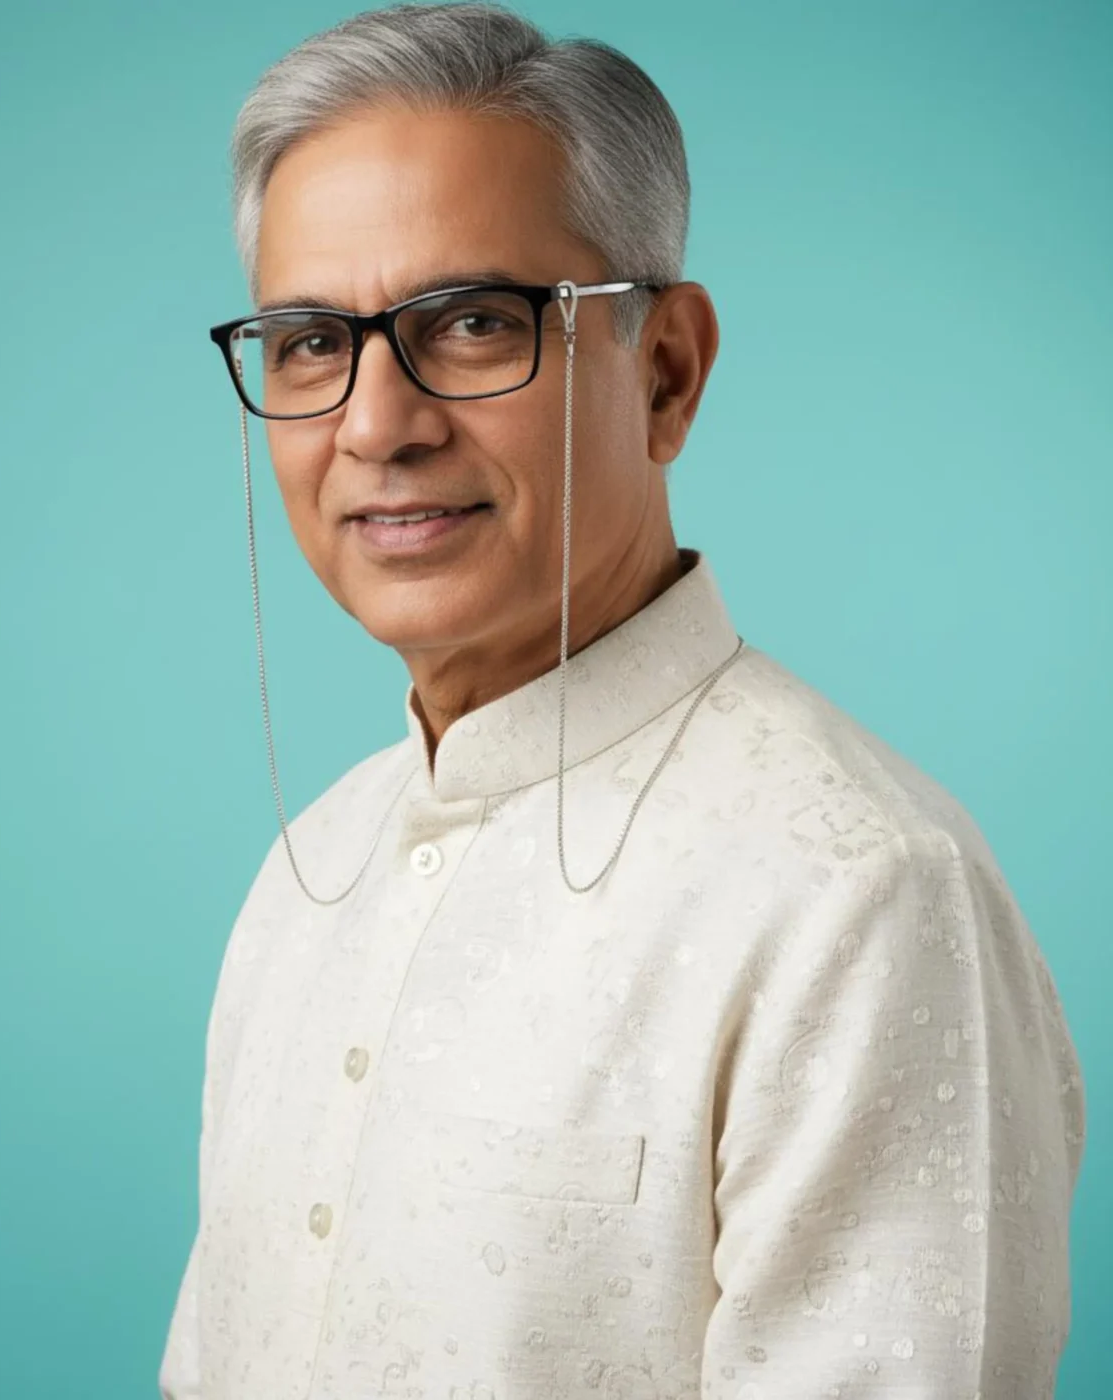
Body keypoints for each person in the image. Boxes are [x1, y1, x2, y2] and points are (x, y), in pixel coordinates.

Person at [159, 4, 1086, 1396]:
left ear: (665, 371)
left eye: (472, 323)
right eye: (307, 342)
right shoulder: (312, 876)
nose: (375, 424)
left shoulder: (858, 894)